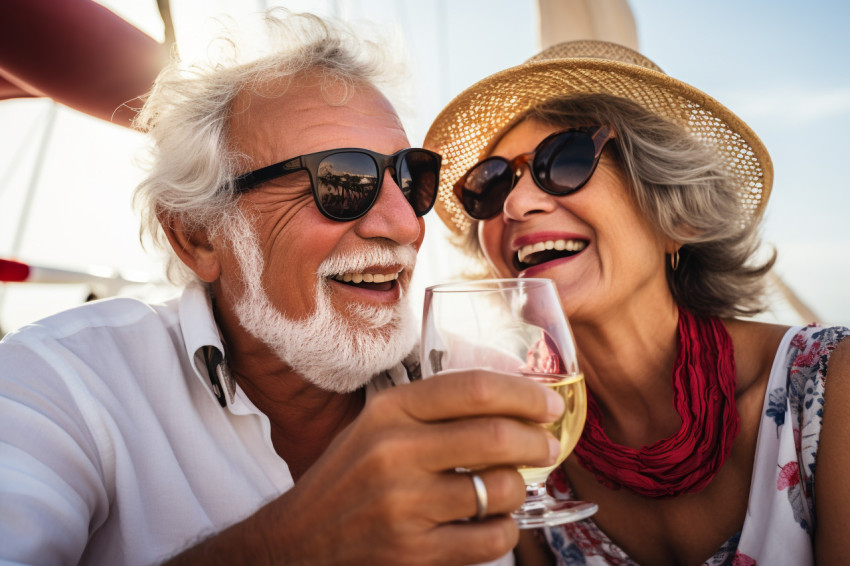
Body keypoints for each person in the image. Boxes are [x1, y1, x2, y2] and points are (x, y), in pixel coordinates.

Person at [0, 12, 567, 565]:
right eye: (346, 182)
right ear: (198, 236)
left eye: (410, 179)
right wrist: (285, 544)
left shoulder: (487, 386)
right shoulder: (59, 384)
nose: (406, 226)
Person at [424, 40, 850, 565]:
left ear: (677, 217)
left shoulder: (833, 387)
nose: (513, 203)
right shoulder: (516, 450)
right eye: (490, 185)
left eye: (565, 160)